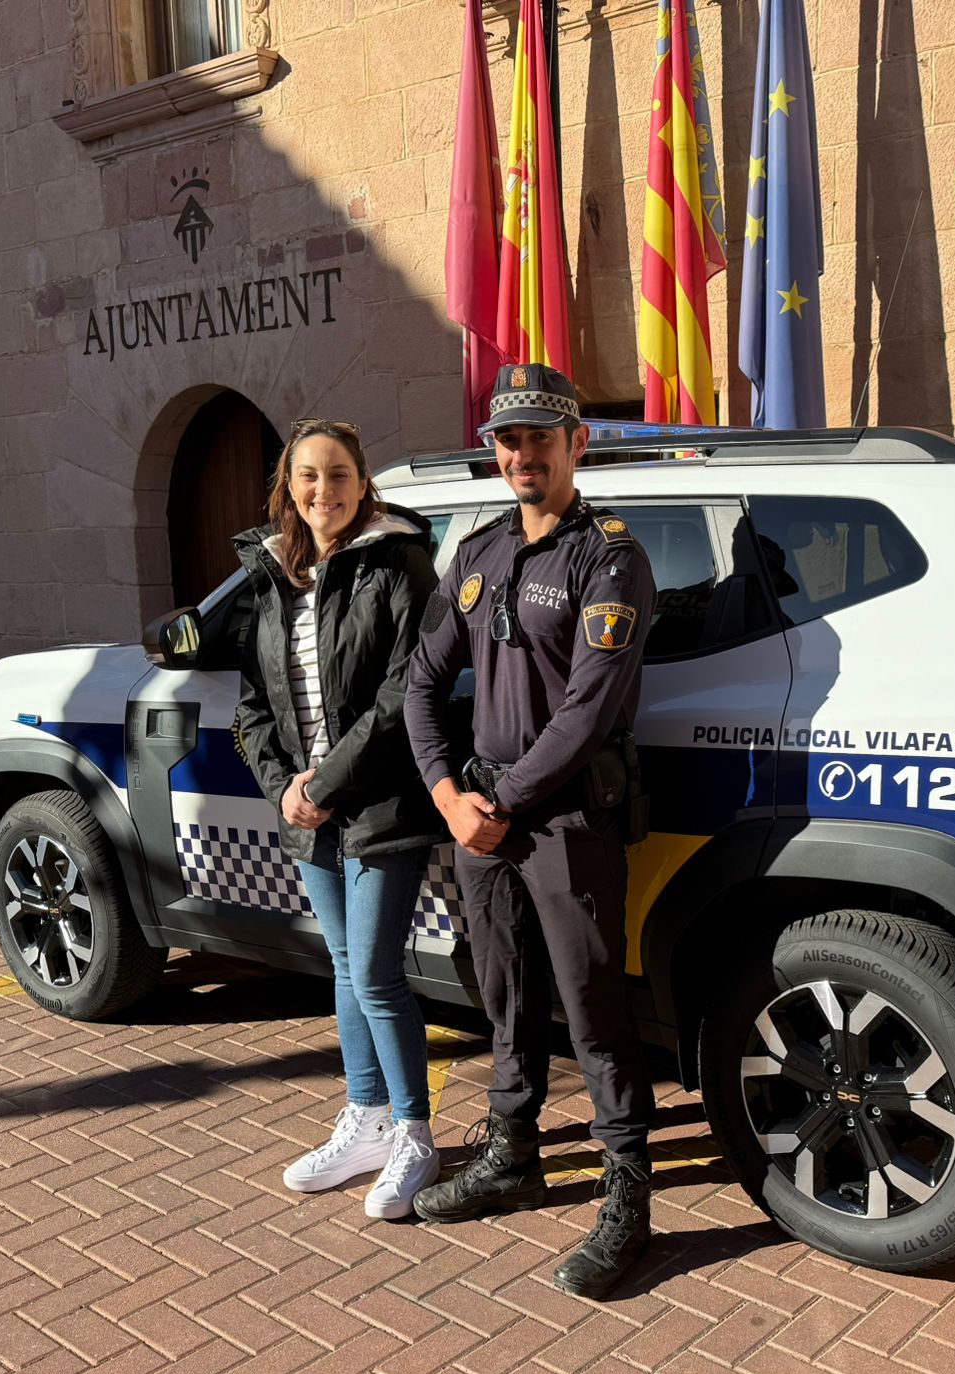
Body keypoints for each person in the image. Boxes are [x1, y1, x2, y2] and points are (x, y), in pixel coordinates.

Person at [403, 364, 660, 1299]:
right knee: (502, 992)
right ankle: (514, 1156)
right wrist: (446, 796)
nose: (521, 455)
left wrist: (499, 801)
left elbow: (588, 711)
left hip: (565, 820)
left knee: (592, 1006)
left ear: (576, 443)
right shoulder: (475, 555)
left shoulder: (610, 558)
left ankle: (628, 1192)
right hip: (481, 820)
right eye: (507, 440)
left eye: (539, 438)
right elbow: (421, 685)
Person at [232, 419, 445, 1220]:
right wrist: (283, 786)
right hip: (308, 811)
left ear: (364, 484)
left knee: (380, 975)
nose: (325, 491)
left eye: (341, 475)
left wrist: (326, 781)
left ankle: (415, 1133)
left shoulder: (400, 563)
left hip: (381, 799)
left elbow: (404, 694)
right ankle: (365, 1120)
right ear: (289, 486)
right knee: (347, 969)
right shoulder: (273, 573)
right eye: (309, 477)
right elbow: (251, 705)